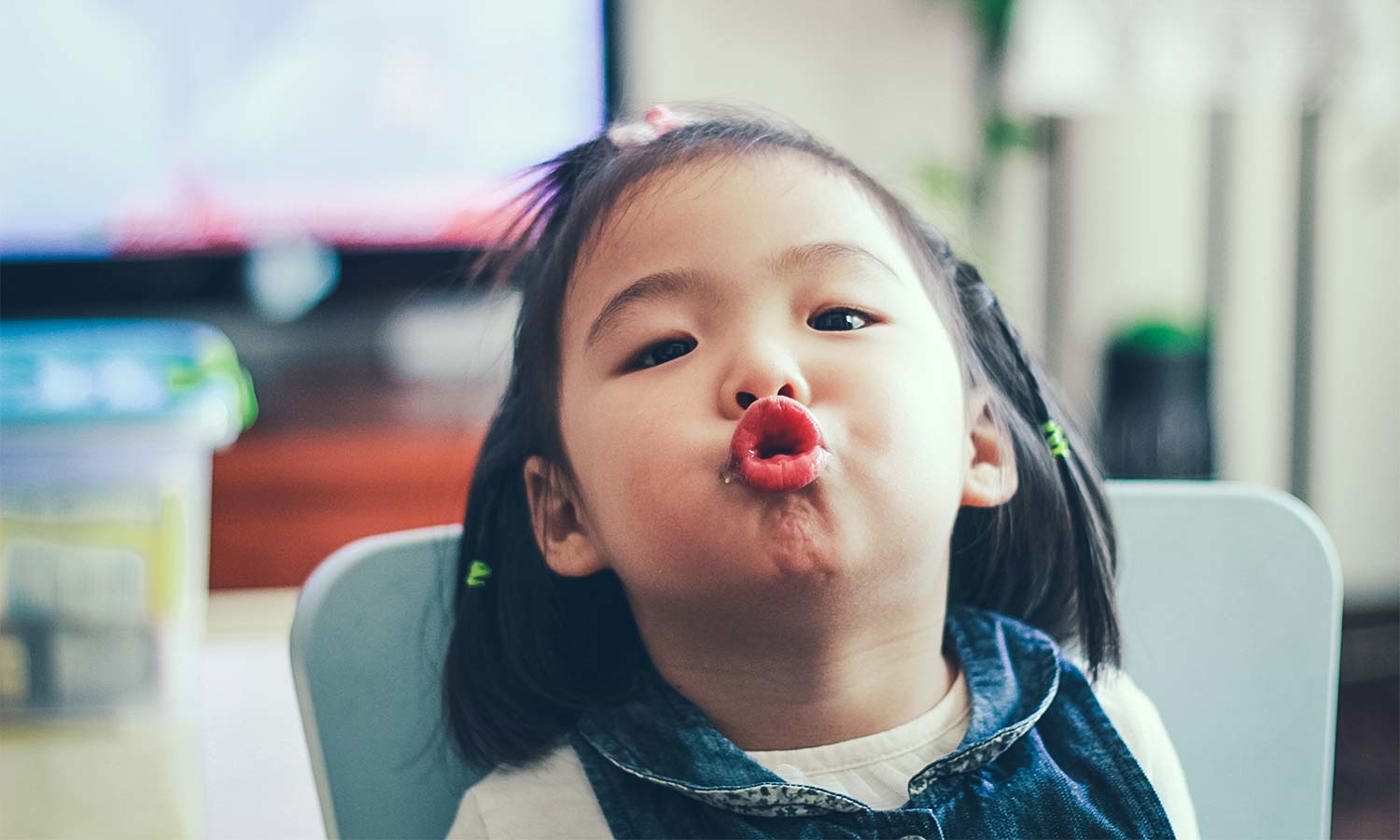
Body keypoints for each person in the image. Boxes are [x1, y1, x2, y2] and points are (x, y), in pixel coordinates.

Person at [441, 104, 1199, 839]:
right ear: (566, 513)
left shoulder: (1113, 742)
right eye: (665, 348)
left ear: (981, 448)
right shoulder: (530, 826)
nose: (764, 368)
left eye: (839, 318)